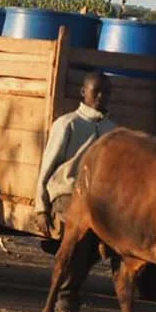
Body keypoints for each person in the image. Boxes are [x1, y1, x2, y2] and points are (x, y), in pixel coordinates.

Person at [35, 70, 116, 238]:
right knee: (79, 233)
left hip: (100, 199)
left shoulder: (113, 131)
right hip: (67, 192)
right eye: (96, 91)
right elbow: (46, 169)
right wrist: (41, 210)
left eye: (106, 92)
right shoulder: (68, 124)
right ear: (83, 92)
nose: (101, 96)